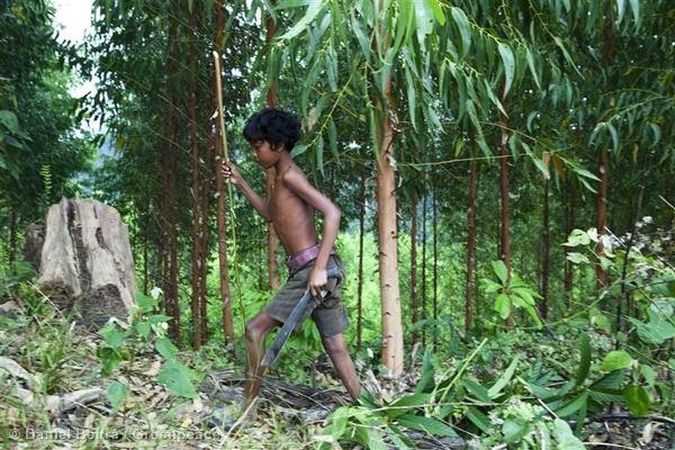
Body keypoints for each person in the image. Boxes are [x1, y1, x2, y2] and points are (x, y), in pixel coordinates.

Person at [222, 107, 361, 407]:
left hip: (315, 270)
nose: (255, 153)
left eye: (258, 146)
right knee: (335, 344)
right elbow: (270, 215)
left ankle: (247, 409)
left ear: (278, 145)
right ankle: (369, 408)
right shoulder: (278, 176)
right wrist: (240, 181)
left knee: (254, 329)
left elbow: (332, 213)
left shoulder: (290, 176)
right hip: (318, 270)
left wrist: (319, 269)